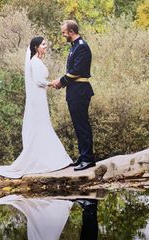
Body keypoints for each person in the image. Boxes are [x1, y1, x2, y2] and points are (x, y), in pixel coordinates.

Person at [0, 37, 72, 178]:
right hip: (37, 99)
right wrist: (53, 83)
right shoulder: (34, 62)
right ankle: (46, 160)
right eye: (43, 44)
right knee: (41, 125)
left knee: (43, 125)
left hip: (40, 96)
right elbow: (38, 81)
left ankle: (49, 158)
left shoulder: (37, 61)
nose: (46, 46)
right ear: (36, 47)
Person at [51, 20, 95, 171]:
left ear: (71, 32)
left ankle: (88, 158)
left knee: (82, 124)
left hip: (81, 91)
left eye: (64, 32)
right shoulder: (74, 47)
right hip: (74, 90)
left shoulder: (82, 47)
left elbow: (76, 70)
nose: (63, 35)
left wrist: (61, 81)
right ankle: (83, 156)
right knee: (77, 125)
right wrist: (62, 82)